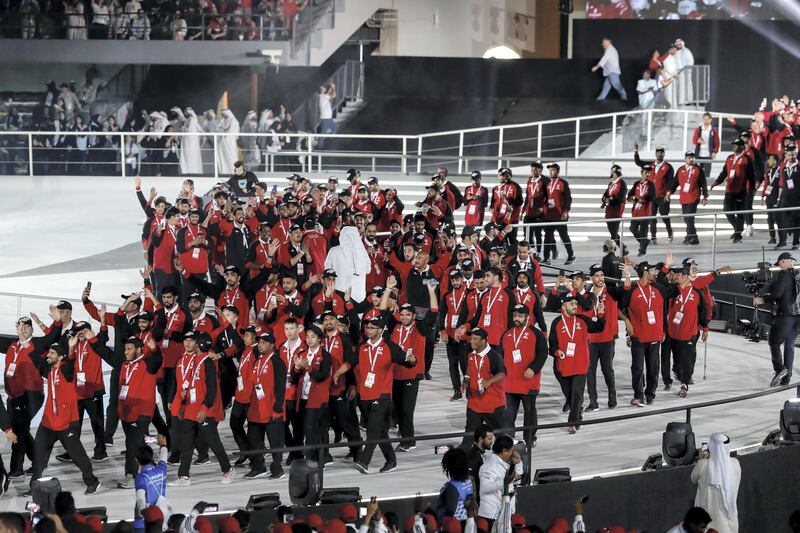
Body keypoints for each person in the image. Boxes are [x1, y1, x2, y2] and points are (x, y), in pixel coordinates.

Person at [333, 317, 416, 474]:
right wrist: (338, 372)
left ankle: (364, 461)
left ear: (380, 330)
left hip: (382, 395)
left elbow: (406, 360)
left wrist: (412, 360)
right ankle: (391, 461)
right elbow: (350, 362)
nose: (368, 330)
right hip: (365, 395)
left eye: (371, 328)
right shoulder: (362, 347)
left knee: (372, 430)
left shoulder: (390, 347)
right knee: (380, 432)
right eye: (367, 327)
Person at [27, 343, 100, 496]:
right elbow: (35, 358)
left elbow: (71, 361)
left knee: (77, 455)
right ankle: (34, 485)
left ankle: (92, 481)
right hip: (48, 422)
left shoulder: (67, 371)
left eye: (52, 353)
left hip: (66, 423)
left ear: (60, 357)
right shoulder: (49, 370)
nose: (48, 355)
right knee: (39, 454)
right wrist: (26, 339)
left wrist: (72, 350)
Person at [0, 310, 62, 478]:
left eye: (28, 326)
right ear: (16, 327)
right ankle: (38, 461)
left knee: (19, 431)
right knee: (22, 430)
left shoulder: (37, 344)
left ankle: (17, 469)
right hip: (13, 397)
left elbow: (54, 336)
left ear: (32, 330)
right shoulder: (11, 345)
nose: (24, 329)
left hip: (31, 395)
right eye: (21, 325)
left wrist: (57, 321)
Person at [549, 294, 604, 433]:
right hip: (563, 366)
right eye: (571, 303)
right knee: (570, 395)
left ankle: (572, 422)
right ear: (563, 306)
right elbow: (552, 346)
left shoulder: (582, 320)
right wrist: (557, 352)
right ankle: (577, 409)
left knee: (577, 394)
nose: (575, 306)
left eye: (575, 303)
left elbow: (598, 327)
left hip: (580, 364)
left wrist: (601, 313)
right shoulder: (556, 322)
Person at [500, 305, 547, 447]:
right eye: (514, 316)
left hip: (528, 382)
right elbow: (500, 356)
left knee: (529, 411)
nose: (516, 319)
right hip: (509, 382)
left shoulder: (536, 334)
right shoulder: (507, 334)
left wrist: (533, 368)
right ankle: (508, 439)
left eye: (520, 316)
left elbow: (543, 353)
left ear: (527, 317)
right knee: (508, 414)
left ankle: (530, 437)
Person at [622, 261, 665, 406]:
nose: (653, 273)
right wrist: (627, 325)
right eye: (651, 271)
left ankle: (650, 394)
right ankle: (639, 395)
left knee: (653, 368)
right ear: (645, 273)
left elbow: (662, 311)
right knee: (638, 368)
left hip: (655, 336)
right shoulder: (633, 290)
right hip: (638, 337)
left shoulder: (657, 289)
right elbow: (621, 308)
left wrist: (663, 329)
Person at [754, 252, 799, 386]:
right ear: (783, 261)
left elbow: (778, 294)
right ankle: (786, 378)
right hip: (797, 317)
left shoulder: (784, 274)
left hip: (785, 315)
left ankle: (780, 369)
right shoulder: (796, 275)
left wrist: (762, 299)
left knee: (774, 343)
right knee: (789, 346)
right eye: (790, 260)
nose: (792, 263)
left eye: (791, 261)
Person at [459, 328, 506, 448]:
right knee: (469, 436)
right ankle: (464, 459)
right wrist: (465, 382)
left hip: (493, 404)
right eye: (471, 338)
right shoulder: (470, 354)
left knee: (502, 438)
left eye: (476, 339)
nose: (472, 341)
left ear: (485, 340)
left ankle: (512, 461)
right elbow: (469, 370)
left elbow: (502, 373)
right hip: (474, 404)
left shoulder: (494, 356)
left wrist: (489, 381)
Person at [691, 433, 740, 533]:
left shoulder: (703, 465)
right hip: (730, 523)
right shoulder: (735, 464)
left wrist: (702, 460)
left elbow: (693, 478)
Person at [710, 139, 756, 244]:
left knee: (739, 213)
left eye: (736, 145)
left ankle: (737, 236)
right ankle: (737, 229)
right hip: (729, 189)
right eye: (733, 145)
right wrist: (717, 182)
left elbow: (751, 176)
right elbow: (724, 172)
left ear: (741, 146)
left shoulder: (747, 159)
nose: (734, 147)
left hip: (741, 190)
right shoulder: (730, 158)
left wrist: (752, 189)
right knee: (726, 209)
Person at [477, 435, 522, 529]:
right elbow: (485, 487)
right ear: (504, 451)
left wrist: (518, 462)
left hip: (503, 513)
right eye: (511, 450)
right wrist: (504, 483)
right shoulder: (489, 467)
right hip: (491, 516)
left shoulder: (502, 464)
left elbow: (516, 476)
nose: (512, 453)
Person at [634, 144, 676, 245]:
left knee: (664, 216)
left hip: (662, 196)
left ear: (664, 154)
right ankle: (653, 236)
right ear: (655, 153)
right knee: (652, 217)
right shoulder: (651, 165)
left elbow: (671, 182)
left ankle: (670, 233)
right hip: (652, 197)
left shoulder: (668, 167)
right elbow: (639, 162)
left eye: (662, 152)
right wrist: (636, 152)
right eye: (658, 152)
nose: (660, 154)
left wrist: (669, 193)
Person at [542, 163, 575, 264]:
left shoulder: (563, 183)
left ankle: (571, 255)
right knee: (547, 237)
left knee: (564, 236)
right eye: (550, 170)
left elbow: (568, 198)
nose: (551, 172)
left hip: (560, 216)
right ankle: (546, 258)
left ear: (558, 171)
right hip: (549, 215)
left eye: (553, 170)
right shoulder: (547, 183)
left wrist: (566, 211)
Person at [134, 439, 169, 533]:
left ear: (136, 460)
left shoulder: (140, 478)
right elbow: (163, 457)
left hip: (144, 522)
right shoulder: (161, 469)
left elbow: (141, 499)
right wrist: (163, 445)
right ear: (152, 457)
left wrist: (141, 514)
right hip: (160, 516)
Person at [675, 152, 708, 245]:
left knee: (689, 218)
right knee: (686, 218)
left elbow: (703, 184)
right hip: (683, 197)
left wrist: (705, 196)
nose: (691, 159)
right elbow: (674, 183)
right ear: (685, 158)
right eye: (689, 157)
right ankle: (689, 236)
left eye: (692, 157)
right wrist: (669, 192)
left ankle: (694, 237)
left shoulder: (698, 169)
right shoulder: (680, 169)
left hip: (693, 197)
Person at [436, 447, 474, 521]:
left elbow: (450, 510)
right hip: (465, 521)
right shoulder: (469, 481)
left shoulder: (452, 487)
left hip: (453, 525)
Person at [627, 164, 656, 256]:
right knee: (632, 228)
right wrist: (630, 198)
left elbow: (652, 197)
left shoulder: (651, 185)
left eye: (649, 172)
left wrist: (639, 199)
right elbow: (629, 195)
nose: (648, 174)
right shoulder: (637, 183)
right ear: (641, 173)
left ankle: (642, 250)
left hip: (645, 212)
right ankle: (645, 242)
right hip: (636, 212)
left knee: (643, 232)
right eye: (646, 172)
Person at [775, 145, 800, 250]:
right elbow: (781, 183)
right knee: (780, 219)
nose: (790, 156)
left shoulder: (799, 166)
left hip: (797, 197)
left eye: (792, 154)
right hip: (784, 197)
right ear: (785, 155)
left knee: (796, 220)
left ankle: (796, 242)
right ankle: (782, 241)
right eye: (788, 154)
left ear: (796, 154)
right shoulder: (783, 166)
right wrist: (778, 198)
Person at [601, 163, 627, 253]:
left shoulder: (622, 184)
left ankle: (611, 251)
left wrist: (610, 201)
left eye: (615, 173)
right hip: (609, 212)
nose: (614, 175)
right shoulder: (611, 183)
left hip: (617, 212)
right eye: (614, 173)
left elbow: (620, 198)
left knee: (613, 233)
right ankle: (624, 249)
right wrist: (605, 199)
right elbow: (605, 195)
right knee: (613, 233)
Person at [466, 424, 493, 498]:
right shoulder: (473, 455)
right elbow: (470, 478)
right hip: (478, 501)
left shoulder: (482, 453)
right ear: (481, 439)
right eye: (489, 439)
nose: (492, 441)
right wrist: (473, 501)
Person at [693, 113, 720, 178]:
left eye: (707, 119)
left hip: (708, 155)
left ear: (710, 120)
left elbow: (717, 143)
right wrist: (697, 140)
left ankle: (705, 186)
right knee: (698, 173)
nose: (706, 121)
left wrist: (714, 152)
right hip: (699, 154)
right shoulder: (698, 129)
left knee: (707, 174)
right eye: (704, 119)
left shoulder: (714, 130)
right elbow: (694, 140)